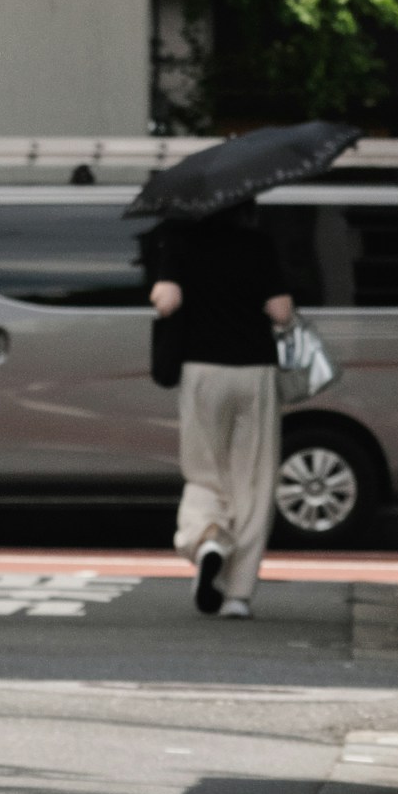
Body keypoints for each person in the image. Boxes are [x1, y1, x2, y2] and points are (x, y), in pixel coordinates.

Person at [148, 201, 294, 619]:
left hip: (202, 371)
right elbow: (281, 312)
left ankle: (207, 538)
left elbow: (166, 302)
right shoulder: (258, 244)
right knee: (253, 480)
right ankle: (237, 595)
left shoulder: (180, 241)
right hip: (255, 372)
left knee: (204, 470)